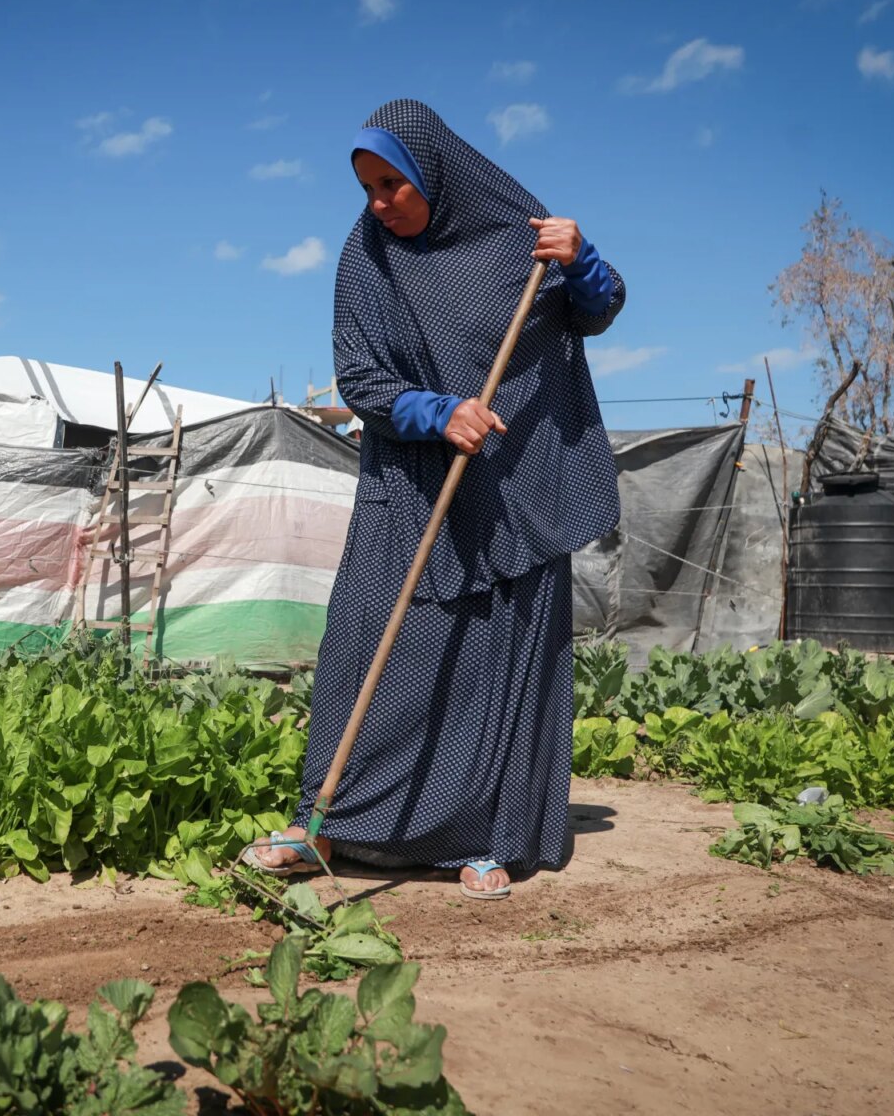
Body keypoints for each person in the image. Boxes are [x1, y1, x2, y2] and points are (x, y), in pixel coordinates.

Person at [249, 99, 624, 899]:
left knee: (497, 659)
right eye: (368, 187)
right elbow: (361, 378)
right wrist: (439, 410)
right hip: (412, 483)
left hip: (517, 484)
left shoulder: (518, 245)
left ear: (435, 175)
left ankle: (490, 837)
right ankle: (323, 824)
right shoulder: (366, 260)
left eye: (393, 184)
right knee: (368, 645)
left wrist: (582, 260)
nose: (379, 202)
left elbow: (595, 312)